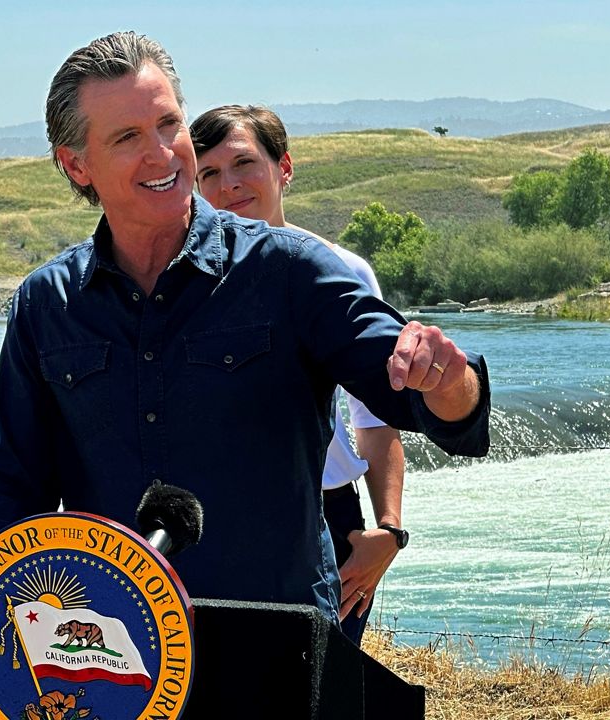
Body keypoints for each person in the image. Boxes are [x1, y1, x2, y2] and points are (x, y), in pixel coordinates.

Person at [0, 32, 490, 626]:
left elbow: (440, 407)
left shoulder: (290, 271)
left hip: (274, 642)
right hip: (114, 654)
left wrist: (445, 378)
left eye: (168, 124)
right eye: (128, 136)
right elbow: (9, 487)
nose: (162, 153)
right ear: (76, 163)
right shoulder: (46, 303)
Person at [190, 105, 407, 644]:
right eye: (209, 174)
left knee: (318, 692)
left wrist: (388, 530)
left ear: (283, 167)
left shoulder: (340, 271)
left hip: (329, 517)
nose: (229, 185)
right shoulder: (181, 282)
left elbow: (376, 415)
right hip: (211, 520)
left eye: (244, 164)